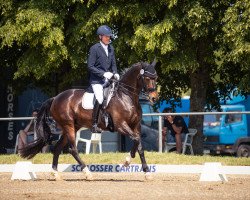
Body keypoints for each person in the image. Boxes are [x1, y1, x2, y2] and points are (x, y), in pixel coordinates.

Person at [87, 25, 119, 133]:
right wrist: (103, 74)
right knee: (100, 99)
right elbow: (90, 66)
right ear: (100, 37)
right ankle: (94, 124)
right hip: (97, 80)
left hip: (108, 80)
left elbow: (113, 64)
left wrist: (115, 73)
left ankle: (111, 121)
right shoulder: (94, 48)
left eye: (109, 36)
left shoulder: (111, 48)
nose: (108, 38)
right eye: (106, 37)